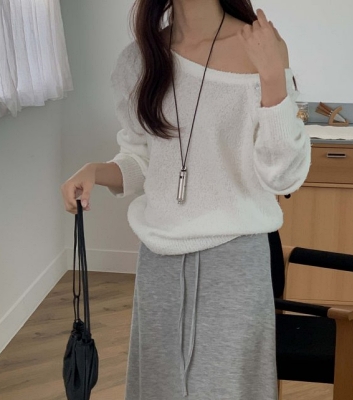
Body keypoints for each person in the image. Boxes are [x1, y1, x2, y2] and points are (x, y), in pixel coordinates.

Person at [61, 0, 311, 399]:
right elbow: (142, 161)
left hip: (234, 262)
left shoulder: (260, 47)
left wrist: (272, 78)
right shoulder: (140, 59)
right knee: (157, 388)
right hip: (158, 260)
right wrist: (95, 170)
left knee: (228, 390)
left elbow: (283, 176)